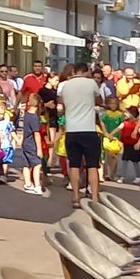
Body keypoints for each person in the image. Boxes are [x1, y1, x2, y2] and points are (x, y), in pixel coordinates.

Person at [57, 64, 102, 204]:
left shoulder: (65, 85)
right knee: (92, 166)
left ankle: (76, 197)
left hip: (72, 130)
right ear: (85, 71)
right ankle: (94, 197)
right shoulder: (91, 83)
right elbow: (99, 100)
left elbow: (62, 105)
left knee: (74, 165)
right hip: (89, 129)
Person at [16, 93, 46, 196]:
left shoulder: (25, 115)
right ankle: (37, 185)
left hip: (25, 142)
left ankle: (28, 184)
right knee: (37, 164)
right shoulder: (34, 117)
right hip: (31, 144)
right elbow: (36, 134)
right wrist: (39, 149)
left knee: (26, 164)